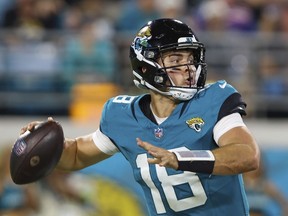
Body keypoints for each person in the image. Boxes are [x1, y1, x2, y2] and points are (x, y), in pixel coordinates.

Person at [20, 18, 260, 216]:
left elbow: (247, 155)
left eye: (191, 59)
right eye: (176, 60)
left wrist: (181, 158)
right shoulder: (123, 115)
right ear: (146, 67)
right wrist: (44, 142)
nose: (188, 69)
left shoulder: (214, 99)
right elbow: (74, 156)